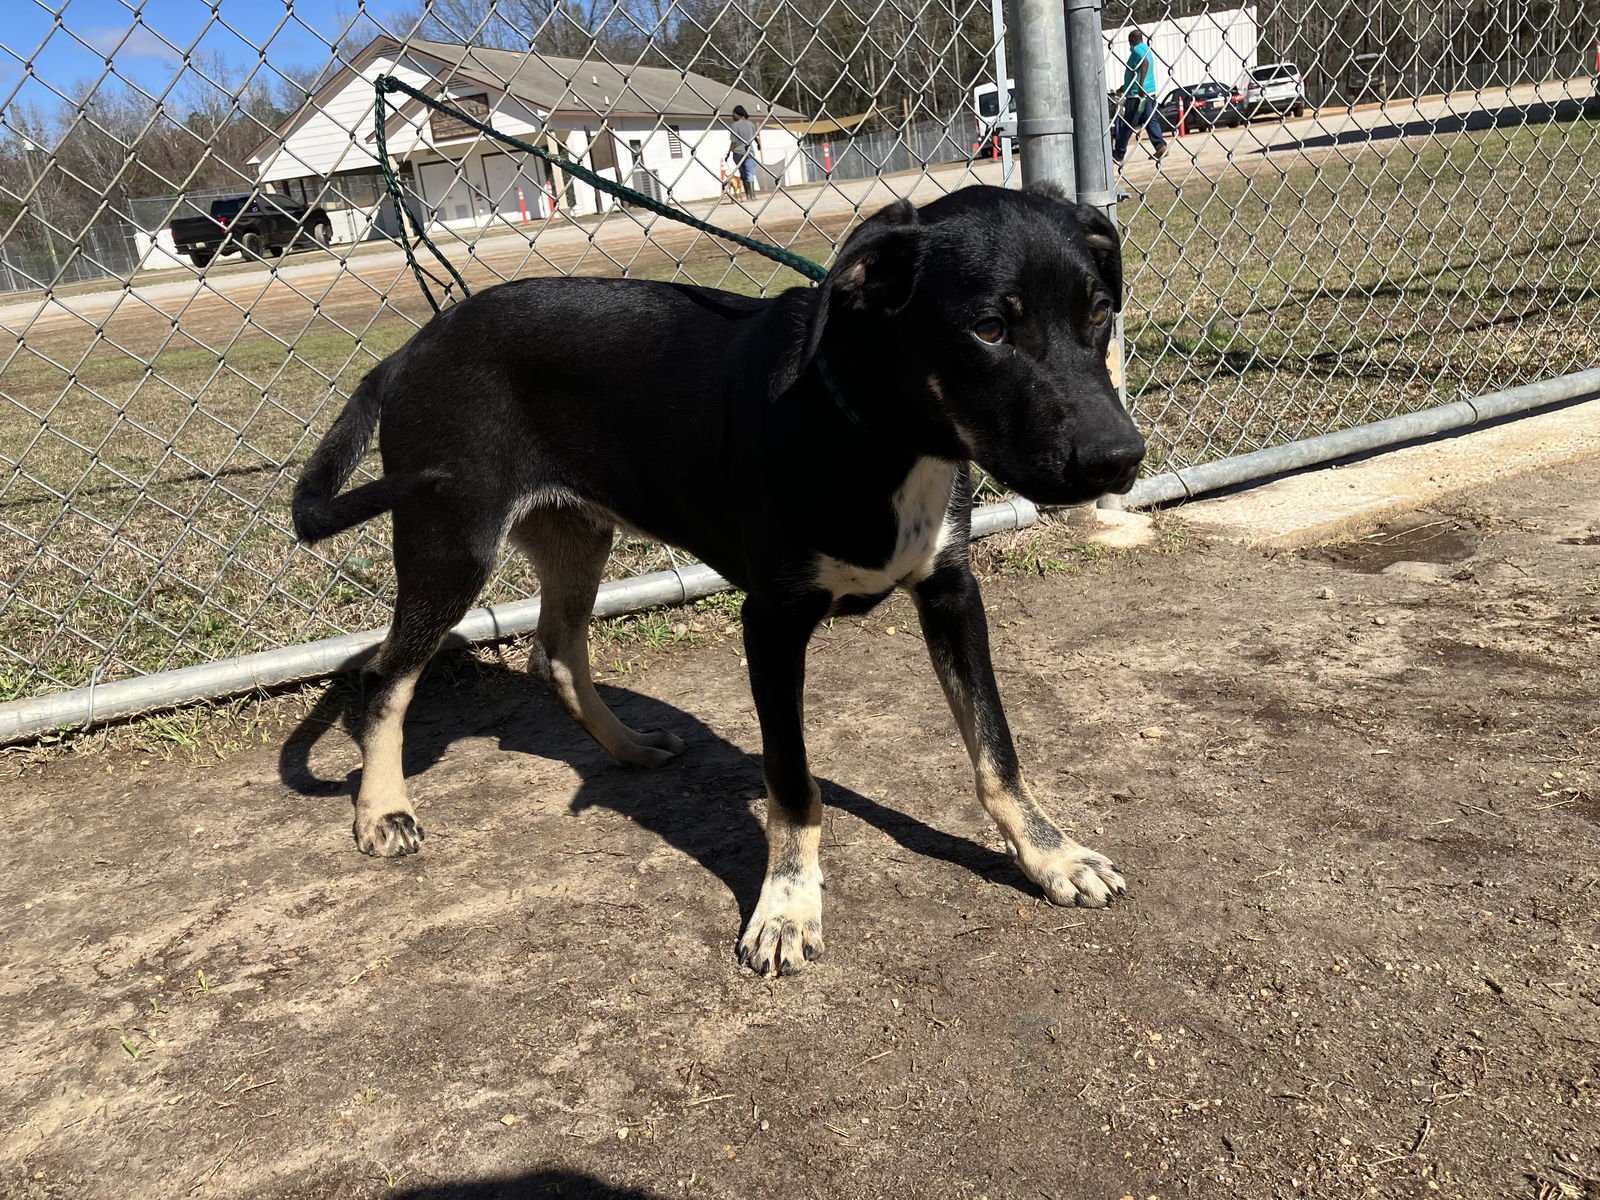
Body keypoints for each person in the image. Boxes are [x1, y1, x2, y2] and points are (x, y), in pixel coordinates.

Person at [1112, 30, 1167, 166]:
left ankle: (1119, 153)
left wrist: (1141, 85)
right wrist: (1123, 88)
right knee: (1150, 120)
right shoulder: (1147, 49)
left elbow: (1144, 64)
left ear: (1131, 41)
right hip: (1150, 92)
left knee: (1128, 124)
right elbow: (1133, 75)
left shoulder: (1136, 51)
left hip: (1137, 95)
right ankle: (1160, 146)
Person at [727, 105, 761, 198]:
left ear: (738, 114)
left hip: (738, 153)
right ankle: (752, 195)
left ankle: (747, 194)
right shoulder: (751, 124)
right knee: (750, 173)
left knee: (742, 173)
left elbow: (733, 141)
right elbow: (755, 137)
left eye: (733, 114)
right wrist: (758, 144)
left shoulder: (734, 126)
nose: (732, 116)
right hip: (750, 152)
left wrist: (729, 152)